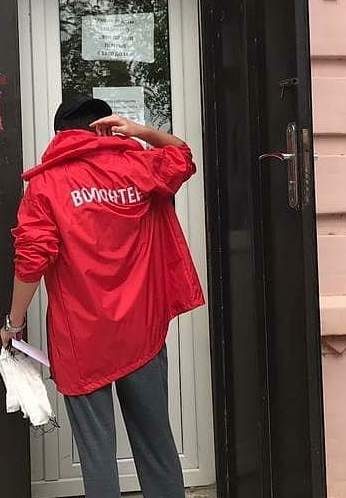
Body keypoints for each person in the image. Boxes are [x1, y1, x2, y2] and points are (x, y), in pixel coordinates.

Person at [0, 96, 204, 498]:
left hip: (82, 340)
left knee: (97, 457)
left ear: (59, 135)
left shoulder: (46, 185)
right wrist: (141, 130)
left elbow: (32, 259)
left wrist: (14, 324)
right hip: (141, 332)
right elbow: (182, 154)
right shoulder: (139, 167)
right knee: (157, 444)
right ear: (105, 128)